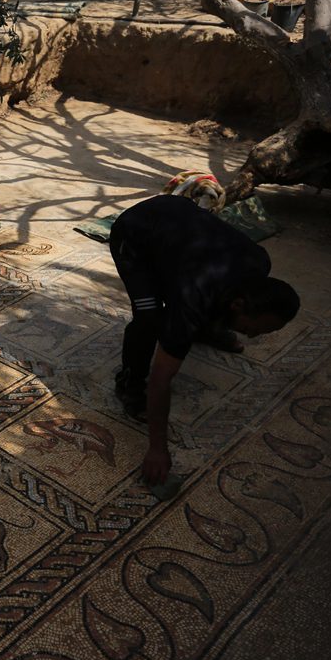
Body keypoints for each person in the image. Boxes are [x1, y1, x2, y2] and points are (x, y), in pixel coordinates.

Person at [109, 194, 300, 485]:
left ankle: (206, 329)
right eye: (255, 329)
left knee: (195, 307)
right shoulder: (192, 298)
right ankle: (129, 382)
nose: (255, 336)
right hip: (135, 233)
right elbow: (161, 380)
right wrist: (157, 448)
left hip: (180, 230)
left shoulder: (259, 262)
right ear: (238, 305)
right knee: (148, 317)